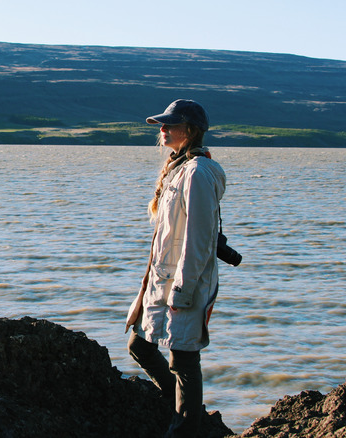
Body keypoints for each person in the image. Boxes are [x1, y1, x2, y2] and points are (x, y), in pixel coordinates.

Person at [124, 99, 226, 438]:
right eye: (162, 124)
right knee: (140, 346)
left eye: (171, 124)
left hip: (185, 280)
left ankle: (184, 429)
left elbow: (198, 239)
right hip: (162, 278)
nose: (163, 130)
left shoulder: (198, 171)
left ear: (191, 130)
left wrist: (184, 289)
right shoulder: (180, 167)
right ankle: (184, 409)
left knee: (184, 359)